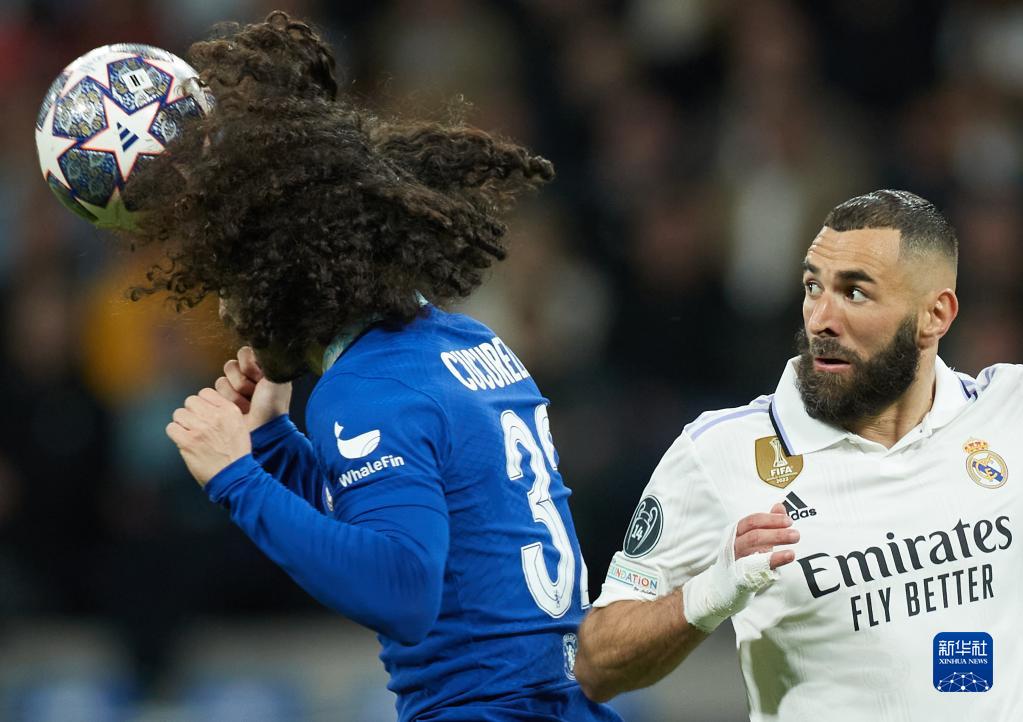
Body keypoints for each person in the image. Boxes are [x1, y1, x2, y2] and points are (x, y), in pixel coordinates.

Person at [125, 12, 621, 722]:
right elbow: (414, 519)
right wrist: (274, 448)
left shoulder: (365, 389)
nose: (229, 309)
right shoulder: (465, 343)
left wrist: (236, 479)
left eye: (234, 279)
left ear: (283, 276)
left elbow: (404, 592)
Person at [575, 189, 1021, 720]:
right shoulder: (721, 453)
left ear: (935, 315)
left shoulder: (1006, 411)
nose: (821, 319)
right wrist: (708, 594)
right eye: (814, 287)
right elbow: (595, 665)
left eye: (854, 292)